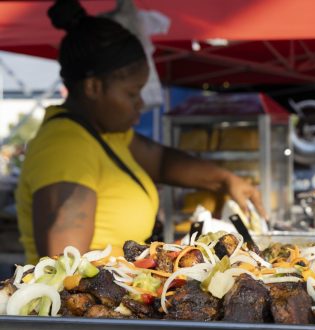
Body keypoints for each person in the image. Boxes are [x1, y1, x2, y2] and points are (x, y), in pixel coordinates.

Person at [16, 0, 265, 264]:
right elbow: (64, 266)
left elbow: (161, 161)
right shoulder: (66, 147)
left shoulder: (106, 134)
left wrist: (225, 180)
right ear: (93, 87)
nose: (140, 103)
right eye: (131, 93)